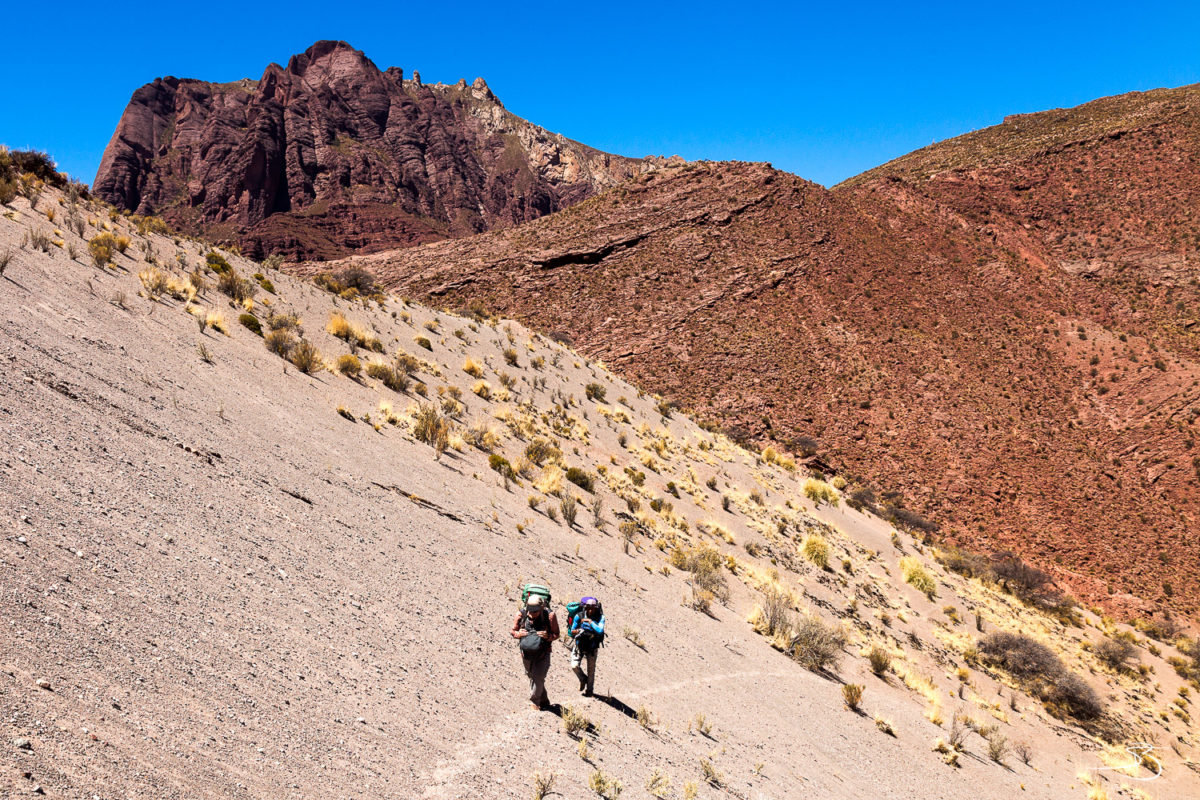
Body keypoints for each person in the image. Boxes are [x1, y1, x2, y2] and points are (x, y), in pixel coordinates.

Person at [510, 594, 559, 709]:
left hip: (544, 652)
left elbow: (556, 634)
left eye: (535, 612)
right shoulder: (521, 614)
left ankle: (535, 702)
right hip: (526, 653)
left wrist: (548, 636)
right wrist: (518, 634)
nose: (531, 614)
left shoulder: (550, 616)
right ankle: (544, 700)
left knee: (538, 676)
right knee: (531, 675)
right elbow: (513, 631)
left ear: (542, 608)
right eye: (530, 611)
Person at [569, 597, 605, 697]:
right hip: (579, 645)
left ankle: (589, 691)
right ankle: (583, 679)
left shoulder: (600, 618)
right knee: (574, 665)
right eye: (589, 608)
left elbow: (600, 630)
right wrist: (579, 631)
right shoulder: (579, 616)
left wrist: (590, 622)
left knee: (591, 670)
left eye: (593, 608)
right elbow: (572, 630)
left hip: (592, 647)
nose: (591, 610)